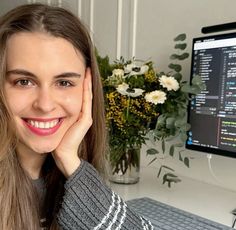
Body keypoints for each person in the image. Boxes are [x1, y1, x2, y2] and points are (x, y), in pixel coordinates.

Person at [0, 3, 153, 230]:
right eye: (24, 82)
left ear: (87, 89)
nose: (45, 104)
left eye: (64, 83)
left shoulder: (69, 174)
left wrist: (71, 162)